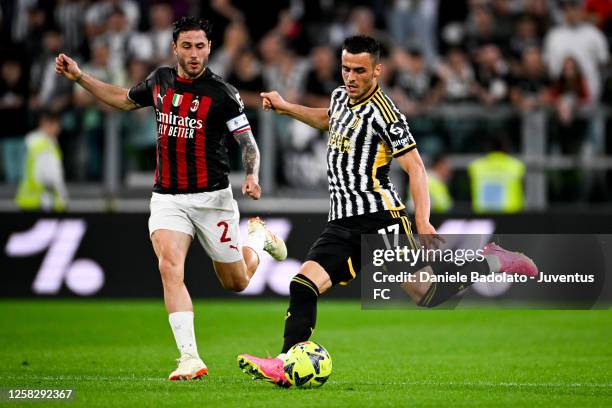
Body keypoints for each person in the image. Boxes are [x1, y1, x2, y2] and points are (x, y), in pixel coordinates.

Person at [237, 35, 538, 387]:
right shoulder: (339, 96)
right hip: (342, 221)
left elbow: (416, 168)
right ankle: (285, 364)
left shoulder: (386, 114)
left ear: (377, 70)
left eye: (359, 71)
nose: (350, 77)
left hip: (381, 219)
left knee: (426, 295)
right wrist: (287, 107)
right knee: (302, 284)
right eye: (346, 68)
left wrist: (422, 219)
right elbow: (328, 120)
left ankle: (494, 260)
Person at [55, 16, 288, 381]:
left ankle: (258, 237)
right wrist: (80, 77)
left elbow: (248, 143)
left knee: (236, 282)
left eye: (200, 46)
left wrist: (253, 174)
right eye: (187, 46)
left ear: (210, 48)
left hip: (213, 200)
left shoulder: (223, 94)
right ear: (174, 48)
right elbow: (123, 99)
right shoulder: (160, 80)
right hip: (169, 198)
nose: (194, 54)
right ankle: (190, 358)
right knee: (169, 267)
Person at [15, 110, 68, 212]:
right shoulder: (41, 144)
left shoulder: (40, 141)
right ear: (47, 124)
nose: (59, 129)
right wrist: (61, 196)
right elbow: (49, 175)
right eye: (57, 125)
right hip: (41, 201)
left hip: (31, 199)